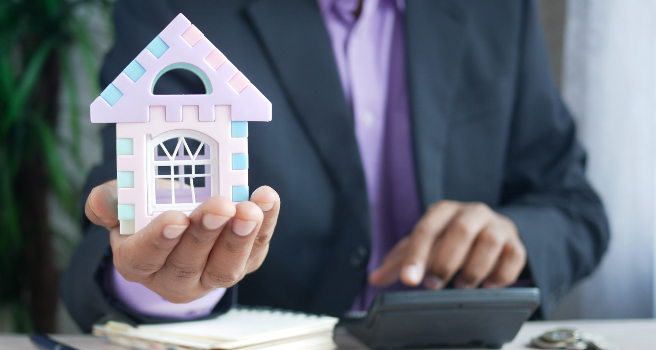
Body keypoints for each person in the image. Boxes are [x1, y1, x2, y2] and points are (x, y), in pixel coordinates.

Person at [62, 0, 609, 332]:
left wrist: (513, 234)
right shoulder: (177, 11)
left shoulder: (497, 8)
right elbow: (117, 221)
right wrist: (165, 284)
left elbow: (572, 205)